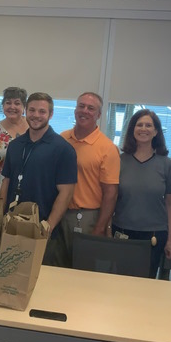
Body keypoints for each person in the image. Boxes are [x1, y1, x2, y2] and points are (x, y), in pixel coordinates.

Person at [0, 92, 77, 261]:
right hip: (12, 226)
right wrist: (1, 216)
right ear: (26, 111)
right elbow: (6, 183)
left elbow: (66, 193)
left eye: (42, 111)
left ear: (51, 114)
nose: (36, 115)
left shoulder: (63, 149)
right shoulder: (15, 146)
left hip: (42, 229)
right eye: (32, 110)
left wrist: (48, 226)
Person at [112, 109, 171, 278]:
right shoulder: (119, 160)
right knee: (120, 281)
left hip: (154, 235)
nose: (143, 128)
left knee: (146, 284)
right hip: (122, 231)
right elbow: (111, 197)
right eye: (139, 124)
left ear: (156, 132)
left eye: (149, 125)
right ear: (132, 129)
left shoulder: (166, 164)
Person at [60, 92, 120, 239]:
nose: (85, 111)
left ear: (99, 115)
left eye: (91, 108)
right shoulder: (62, 139)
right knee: (54, 262)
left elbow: (111, 194)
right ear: (75, 111)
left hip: (87, 218)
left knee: (81, 261)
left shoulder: (107, 148)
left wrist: (100, 228)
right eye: (81, 106)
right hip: (59, 213)